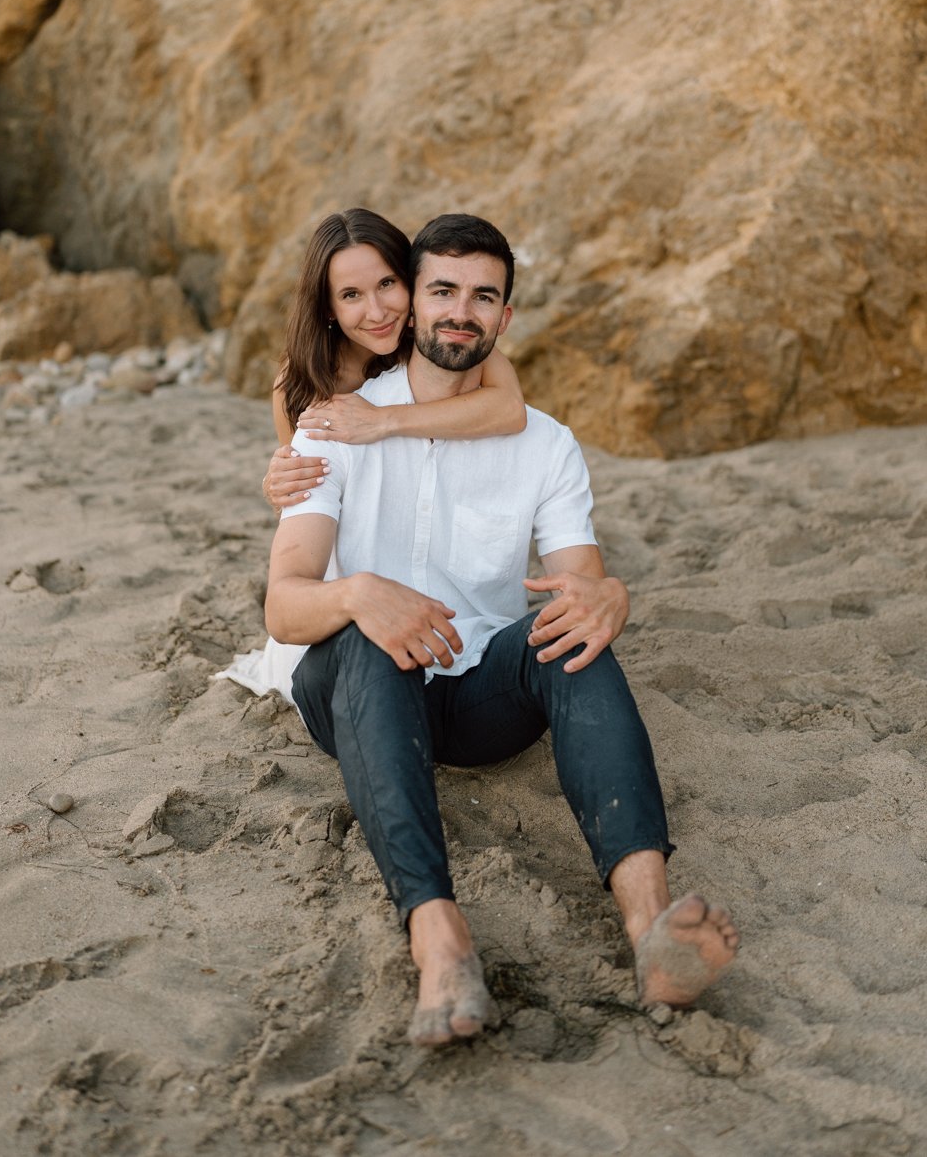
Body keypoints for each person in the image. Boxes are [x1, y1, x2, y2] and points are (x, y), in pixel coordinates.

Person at [264, 213, 740, 1045]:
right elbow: (284, 602)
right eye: (442, 289)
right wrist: (362, 594)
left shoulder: (546, 445)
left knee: (572, 632)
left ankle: (652, 931)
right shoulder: (334, 425)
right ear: (410, 306)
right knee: (364, 638)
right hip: (354, 691)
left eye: (484, 296)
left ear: (506, 319)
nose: (462, 311)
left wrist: (608, 595)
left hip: (479, 687)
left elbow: (578, 579)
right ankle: (439, 942)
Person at [215, 207, 527, 700]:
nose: (378, 311)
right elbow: (304, 493)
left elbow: (510, 409)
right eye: (351, 295)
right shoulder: (298, 382)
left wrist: (382, 422)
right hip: (351, 553)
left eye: (387, 284)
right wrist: (274, 483)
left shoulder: (436, 340)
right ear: (328, 308)